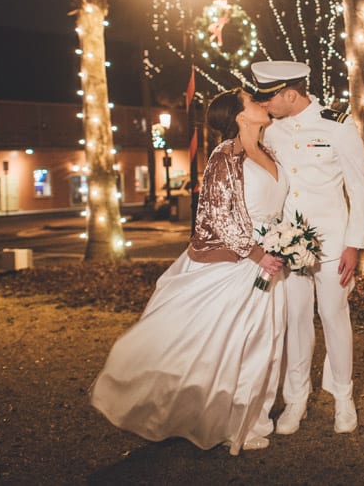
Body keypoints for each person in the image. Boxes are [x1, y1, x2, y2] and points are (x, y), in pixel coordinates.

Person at [89, 88, 288, 455]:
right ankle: (224, 418)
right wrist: (258, 253)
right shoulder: (224, 157)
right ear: (240, 116)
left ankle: (255, 417)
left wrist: (290, 241)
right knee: (232, 345)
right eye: (252, 101)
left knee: (268, 342)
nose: (261, 103)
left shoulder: (270, 152)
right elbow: (216, 215)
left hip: (273, 260)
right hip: (239, 263)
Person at [251, 60, 364, 435]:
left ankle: (343, 398)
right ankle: (296, 400)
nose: (264, 104)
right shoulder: (270, 130)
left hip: (333, 243)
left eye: (269, 97)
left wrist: (354, 243)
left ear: (290, 93)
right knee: (296, 321)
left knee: (335, 318)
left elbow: (359, 187)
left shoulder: (337, 123)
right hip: (289, 245)